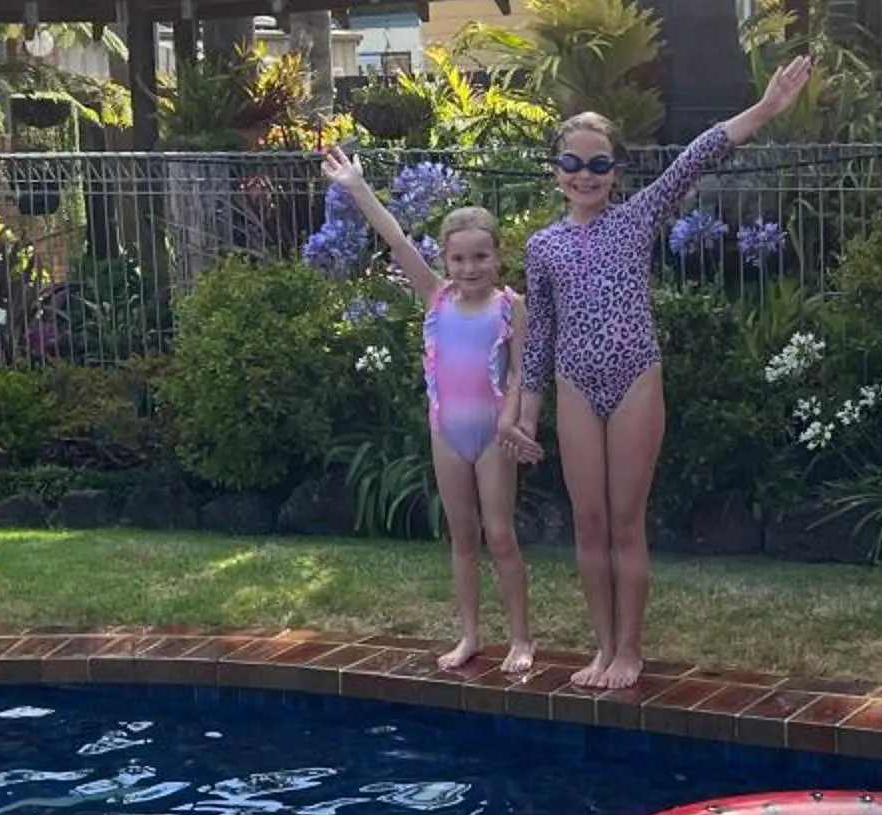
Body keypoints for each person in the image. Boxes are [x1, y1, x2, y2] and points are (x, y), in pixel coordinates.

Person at [501, 57, 816, 691]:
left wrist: (766, 109)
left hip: (635, 379)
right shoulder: (542, 247)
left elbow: (697, 157)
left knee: (625, 521)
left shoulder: (637, 217)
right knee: (588, 523)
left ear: (617, 173)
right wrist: (525, 416)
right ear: (555, 170)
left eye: (598, 165)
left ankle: (631, 650)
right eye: (572, 163)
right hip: (575, 385)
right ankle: (602, 647)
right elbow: (539, 338)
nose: (584, 175)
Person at [318, 147, 535, 675]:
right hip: (447, 433)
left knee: (500, 535)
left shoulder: (511, 307)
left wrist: (515, 422)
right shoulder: (436, 297)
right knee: (462, 536)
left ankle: (521, 639)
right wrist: (357, 188)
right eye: (459, 259)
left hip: (492, 435)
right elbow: (396, 240)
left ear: (497, 256)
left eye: (480, 257)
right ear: (445, 261)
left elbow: (520, 374)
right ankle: (469, 635)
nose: (470, 268)